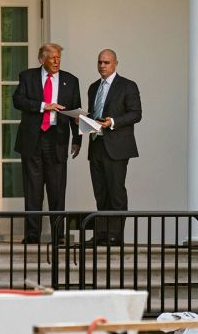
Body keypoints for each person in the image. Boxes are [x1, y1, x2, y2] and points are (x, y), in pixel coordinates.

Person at [13, 42, 82, 244]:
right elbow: (19, 101)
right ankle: (32, 235)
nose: (56, 61)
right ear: (41, 59)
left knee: (57, 189)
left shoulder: (70, 80)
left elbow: (75, 112)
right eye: (52, 58)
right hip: (33, 139)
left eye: (59, 57)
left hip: (57, 139)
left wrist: (77, 139)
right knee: (33, 189)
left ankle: (58, 236)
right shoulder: (27, 77)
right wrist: (44, 106)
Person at [85, 48, 141, 245]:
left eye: (106, 62)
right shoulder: (93, 87)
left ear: (115, 63)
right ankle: (101, 234)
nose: (102, 65)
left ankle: (114, 236)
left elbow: (136, 114)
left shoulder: (127, 86)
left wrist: (113, 121)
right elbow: (94, 113)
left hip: (116, 147)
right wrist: (83, 120)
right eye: (100, 62)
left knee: (116, 193)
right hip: (96, 144)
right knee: (100, 193)